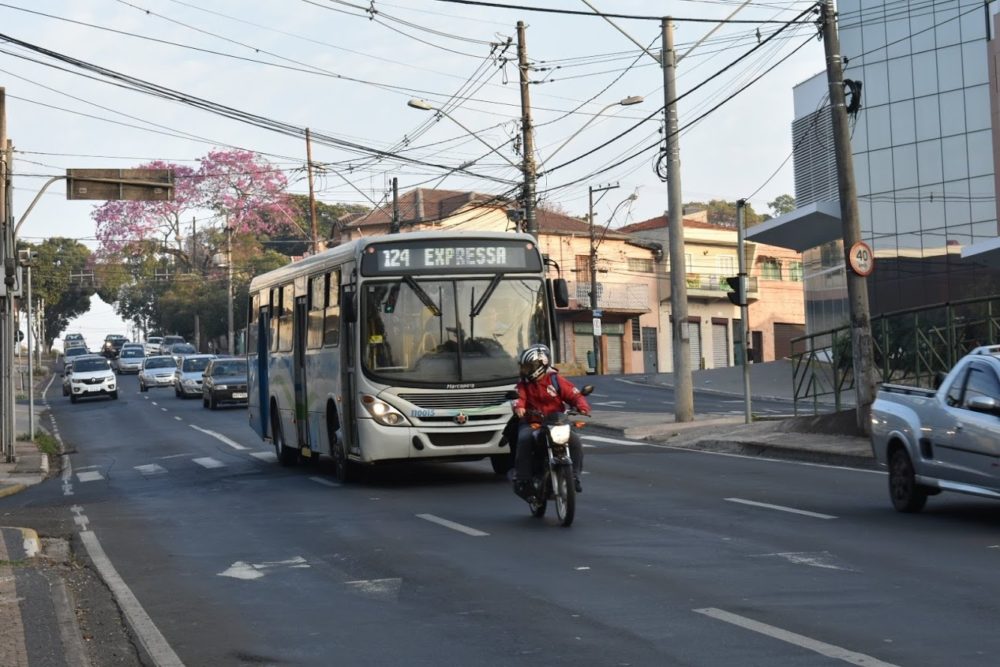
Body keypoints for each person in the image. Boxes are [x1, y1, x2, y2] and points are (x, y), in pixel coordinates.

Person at [511, 344, 590, 498]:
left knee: (575, 441)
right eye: (525, 366)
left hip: (557, 422)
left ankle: (574, 477)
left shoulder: (555, 380)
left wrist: (582, 407)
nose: (526, 370)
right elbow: (518, 397)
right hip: (534, 423)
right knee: (524, 439)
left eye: (530, 366)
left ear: (542, 364)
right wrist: (519, 407)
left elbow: (574, 395)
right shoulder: (524, 384)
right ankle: (523, 480)